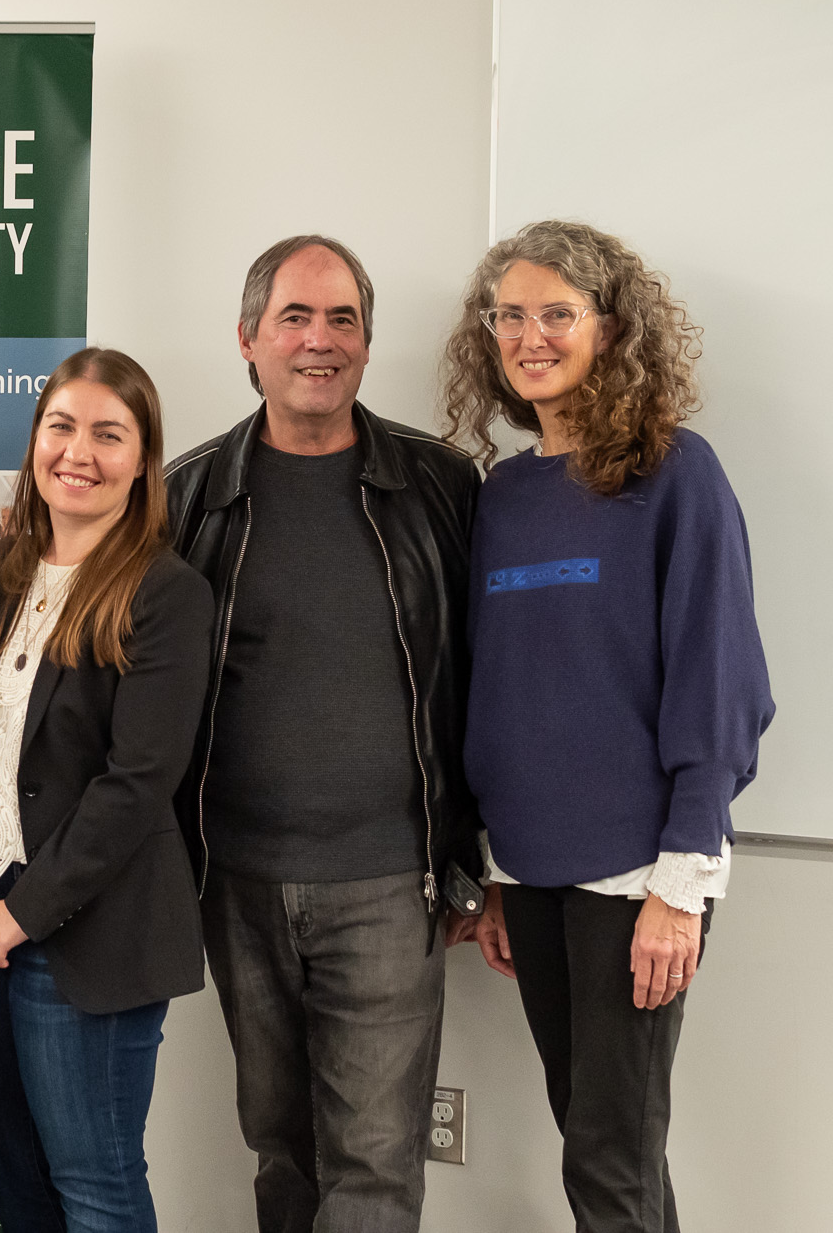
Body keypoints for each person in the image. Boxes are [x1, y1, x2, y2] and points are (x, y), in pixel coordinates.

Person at [439, 221, 773, 1233]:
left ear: (609, 326)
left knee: (608, 1158)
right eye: (509, 316)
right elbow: (499, 689)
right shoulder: (501, 494)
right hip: (530, 871)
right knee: (592, 1140)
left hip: (639, 873)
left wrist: (681, 882)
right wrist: (494, 871)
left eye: (555, 314)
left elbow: (721, 677)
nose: (528, 335)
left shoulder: (673, 474)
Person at [164, 235, 482, 1233]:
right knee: (281, 1150)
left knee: (374, 1163)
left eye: (340, 318)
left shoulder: (439, 489)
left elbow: (486, 678)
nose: (318, 340)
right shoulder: (186, 496)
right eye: (293, 318)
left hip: (392, 882)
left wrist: (478, 855)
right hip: (237, 884)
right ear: (247, 339)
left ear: (366, 341)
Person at [0, 347, 213, 1233]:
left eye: (108, 433)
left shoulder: (167, 591)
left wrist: (28, 910)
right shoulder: (1, 573)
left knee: (93, 1182)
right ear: (35, 441)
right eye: (62, 426)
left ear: (142, 458)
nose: (78, 452)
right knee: (12, 1169)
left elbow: (139, 781)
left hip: (90, 931)